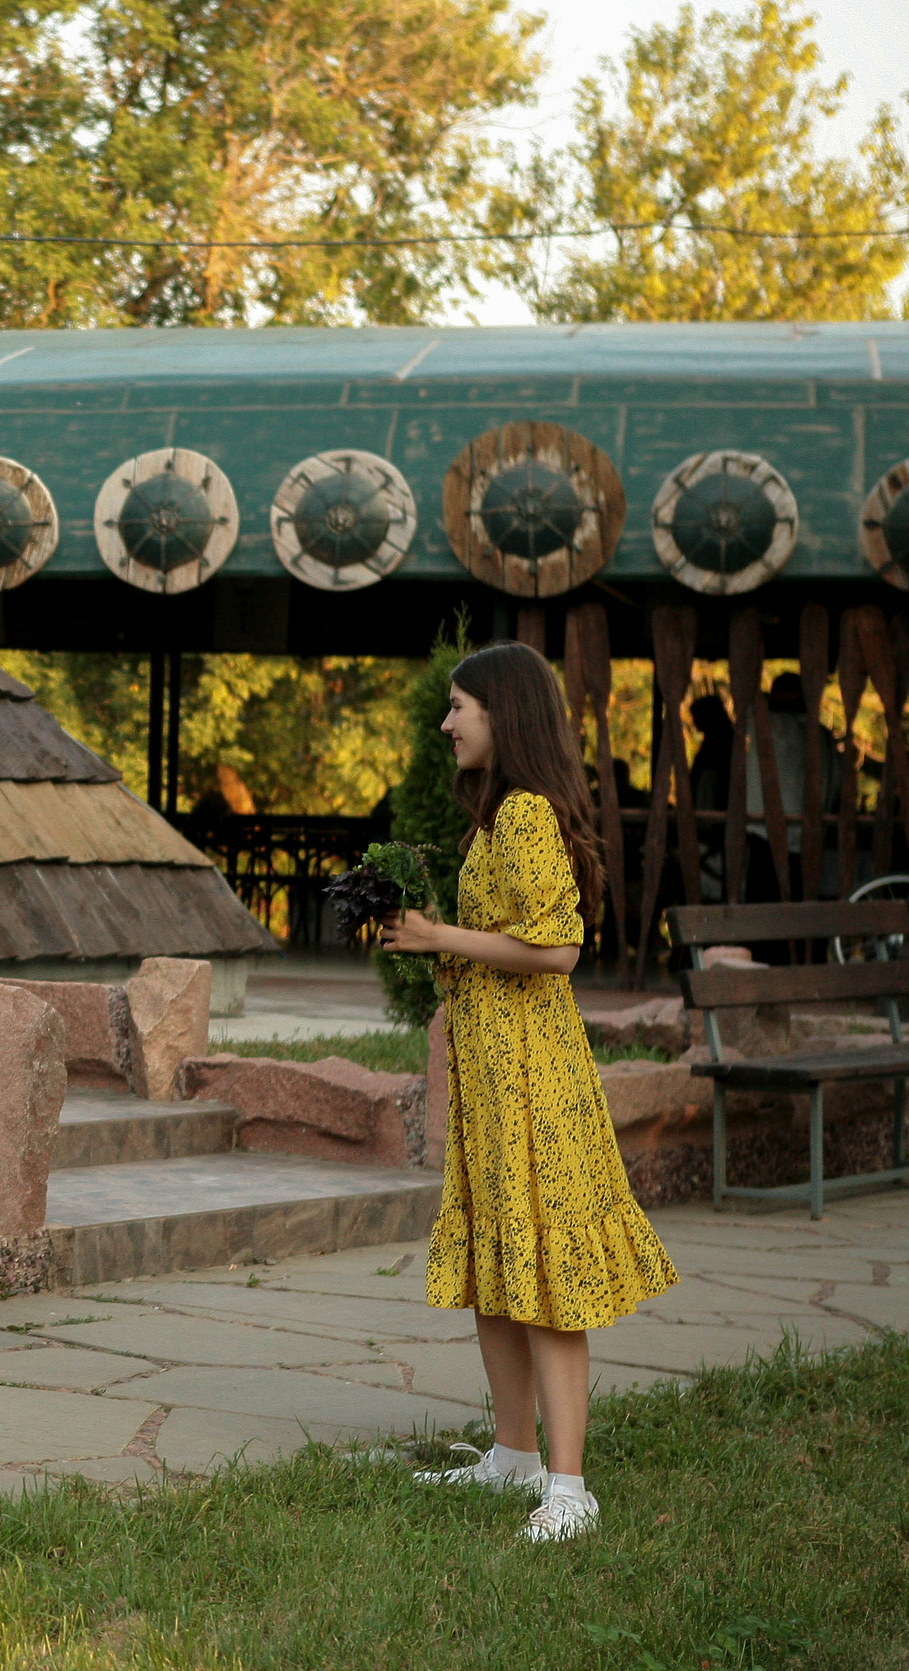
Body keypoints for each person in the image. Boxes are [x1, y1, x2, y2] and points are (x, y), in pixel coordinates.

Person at [381, 641, 678, 1544]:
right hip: (493, 1072)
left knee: (547, 1271)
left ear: (501, 713)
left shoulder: (527, 816)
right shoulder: (494, 816)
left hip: (533, 1074)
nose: (446, 722)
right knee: (497, 1259)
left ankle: (570, 1486)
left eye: (458, 705)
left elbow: (557, 949)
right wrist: (430, 942)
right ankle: (511, 1454)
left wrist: (443, 936)